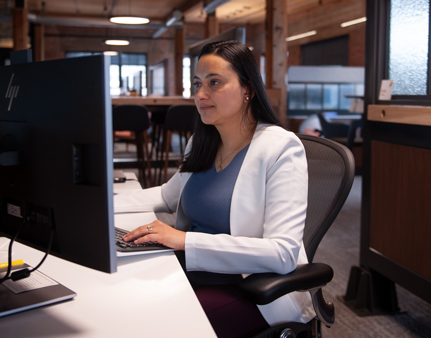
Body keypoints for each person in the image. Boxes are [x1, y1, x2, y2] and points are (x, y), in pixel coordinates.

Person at [115, 40, 314, 337]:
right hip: (193, 271)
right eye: (197, 84)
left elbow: (283, 253)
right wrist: (105, 201)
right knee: (124, 298)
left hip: (249, 289)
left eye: (215, 83)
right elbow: (167, 195)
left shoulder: (281, 148)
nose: (201, 94)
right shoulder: (202, 142)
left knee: (153, 324)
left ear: (247, 89)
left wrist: (185, 241)